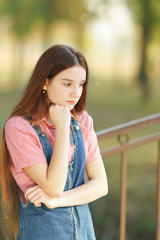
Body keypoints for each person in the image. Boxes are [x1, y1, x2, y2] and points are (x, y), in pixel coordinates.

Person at [1, 44, 108, 240]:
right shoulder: (19, 128)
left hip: (84, 233)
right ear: (44, 83)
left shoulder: (82, 120)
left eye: (81, 84)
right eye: (67, 84)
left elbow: (101, 184)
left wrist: (58, 201)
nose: (76, 93)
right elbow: (54, 187)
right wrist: (62, 127)